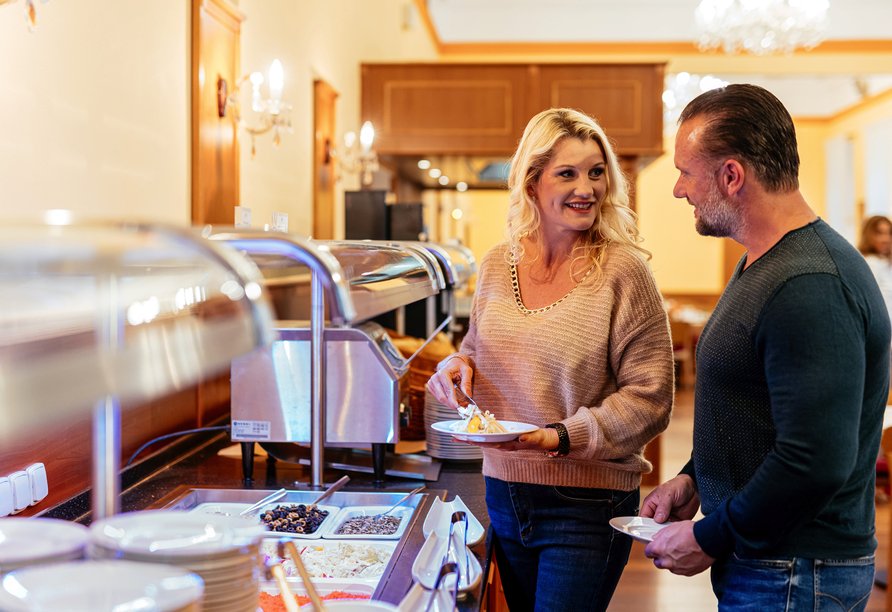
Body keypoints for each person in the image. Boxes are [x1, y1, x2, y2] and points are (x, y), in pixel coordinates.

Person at [641, 84, 891, 612]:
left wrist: (710, 537)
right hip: (775, 563)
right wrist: (694, 477)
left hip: (796, 570)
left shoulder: (809, 282)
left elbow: (813, 459)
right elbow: (756, 410)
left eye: (686, 172)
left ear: (732, 176)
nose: (678, 190)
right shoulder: (767, 259)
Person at [427, 108, 674, 612]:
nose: (587, 188)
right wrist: (457, 365)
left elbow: (651, 399)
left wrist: (562, 436)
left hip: (586, 502)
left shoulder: (624, 271)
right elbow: (479, 346)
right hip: (502, 488)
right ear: (532, 182)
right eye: (568, 173)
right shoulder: (499, 261)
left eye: (596, 172)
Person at [859, 215, 892, 321]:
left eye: (889, 233)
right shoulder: (869, 263)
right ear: (869, 235)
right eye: (879, 233)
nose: (886, 239)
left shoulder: (886, 262)